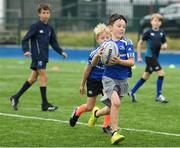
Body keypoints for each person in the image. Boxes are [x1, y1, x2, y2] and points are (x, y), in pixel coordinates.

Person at [9, 3, 68, 111]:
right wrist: (26, 50)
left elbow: (53, 43)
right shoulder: (35, 26)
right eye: (43, 13)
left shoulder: (50, 28)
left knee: (32, 79)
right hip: (37, 56)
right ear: (39, 14)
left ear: (50, 14)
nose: (45, 15)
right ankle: (44, 104)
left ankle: (15, 97)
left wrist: (61, 52)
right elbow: (25, 39)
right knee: (44, 77)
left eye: (47, 13)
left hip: (44, 56)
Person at [88, 14, 135, 145]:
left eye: (124, 27)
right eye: (118, 26)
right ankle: (114, 133)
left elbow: (132, 62)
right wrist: (97, 56)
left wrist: (119, 61)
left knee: (111, 107)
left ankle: (96, 113)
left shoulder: (127, 43)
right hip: (109, 79)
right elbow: (93, 62)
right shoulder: (106, 44)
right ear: (110, 28)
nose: (122, 29)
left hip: (123, 80)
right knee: (116, 103)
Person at [69, 23, 112, 134]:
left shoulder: (113, 52)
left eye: (108, 37)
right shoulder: (93, 53)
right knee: (89, 107)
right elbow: (87, 70)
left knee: (110, 103)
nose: (105, 40)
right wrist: (82, 84)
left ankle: (106, 126)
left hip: (106, 81)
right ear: (98, 39)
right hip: (93, 81)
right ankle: (77, 112)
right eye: (103, 38)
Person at [128, 13, 168, 103]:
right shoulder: (148, 32)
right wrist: (138, 56)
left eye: (159, 21)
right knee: (161, 73)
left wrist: (165, 46)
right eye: (155, 20)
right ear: (151, 22)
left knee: (145, 76)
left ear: (160, 23)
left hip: (155, 58)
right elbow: (140, 43)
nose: (157, 22)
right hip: (149, 57)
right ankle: (158, 95)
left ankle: (132, 92)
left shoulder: (162, 33)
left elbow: (165, 43)